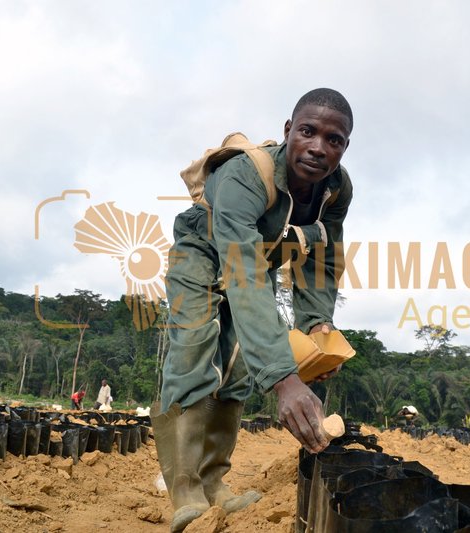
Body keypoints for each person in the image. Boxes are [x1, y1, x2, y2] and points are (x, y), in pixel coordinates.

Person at [152, 89, 354, 532]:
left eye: (334, 139)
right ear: (288, 132)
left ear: (344, 147)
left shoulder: (336, 190)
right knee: (194, 351)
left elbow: (321, 260)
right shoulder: (247, 176)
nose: (319, 147)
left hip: (257, 258)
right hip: (201, 251)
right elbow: (242, 275)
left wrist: (318, 325)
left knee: (240, 365)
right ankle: (184, 489)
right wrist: (284, 378)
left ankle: (214, 483)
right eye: (308, 132)